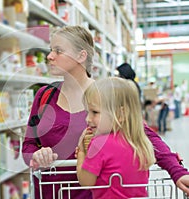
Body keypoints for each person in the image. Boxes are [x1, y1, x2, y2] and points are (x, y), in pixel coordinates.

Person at [22, 25, 189, 199]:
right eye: (50, 50)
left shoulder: (107, 95)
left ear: (81, 55)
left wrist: (177, 171)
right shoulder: (44, 96)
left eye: (58, 51)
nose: (50, 56)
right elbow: (28, 145)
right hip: (51, 193)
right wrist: (36, 155)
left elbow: (145, 135)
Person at [75, 77, 156, 198]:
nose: (88, 119)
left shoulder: (99, 144)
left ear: (120, 114)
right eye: (88, 112)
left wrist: (81, 153)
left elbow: (86, 182)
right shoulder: (140, 143)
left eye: (95, 112)